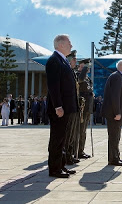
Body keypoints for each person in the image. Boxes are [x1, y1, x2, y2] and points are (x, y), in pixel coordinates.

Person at [46, 34, 79, 178]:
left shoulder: (63, 60)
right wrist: (58, 106)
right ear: (60, 45)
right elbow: (54, 86)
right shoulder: (54, 61)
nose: (71, 46)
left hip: (66, 108)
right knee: (57, 138)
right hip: (59, 109)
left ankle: (61, 165)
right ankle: (54, 169)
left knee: (63, 139)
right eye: (69, 43)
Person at [100, 59, 122, 166]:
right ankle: (113, 159)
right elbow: (115, 96)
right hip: (114, 114)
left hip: (116, 114)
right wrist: (117, 112)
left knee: (116, 136)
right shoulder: (117, 77)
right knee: (114, 136)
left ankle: (116, 157)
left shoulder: (120, 77)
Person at [77, 59, 94, 159]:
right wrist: (83, 69)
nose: (88, 68)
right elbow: (80, 80)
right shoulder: (78, 75)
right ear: (80, 66)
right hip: (82, 107)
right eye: (85, 66)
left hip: (87, 107)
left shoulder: (87, 78)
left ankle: (81, 150)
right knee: (80, 130)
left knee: (83, 130)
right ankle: (77, 150)